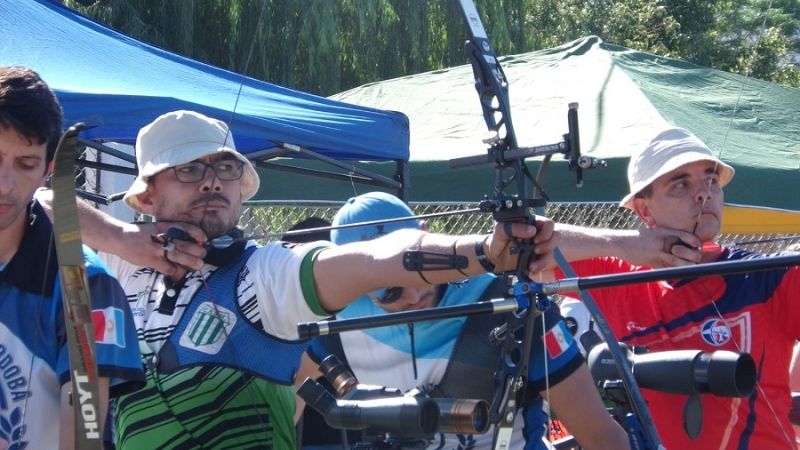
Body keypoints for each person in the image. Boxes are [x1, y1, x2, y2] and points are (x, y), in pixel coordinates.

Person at [37, 110, 556, 449]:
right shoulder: (113, 269)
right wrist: (123, 239)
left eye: (225, 168)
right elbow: (37, 202)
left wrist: (484, 253)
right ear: (146, 198)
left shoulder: (262, 276)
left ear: (243, 193)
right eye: (190, 170)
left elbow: (379, 258)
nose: (214, 179)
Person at [296, 192, 630, 450]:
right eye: (389, 290)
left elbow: (599, 434)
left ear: (426, 234)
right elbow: (284, 413)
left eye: (418, 270)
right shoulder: (336, 317)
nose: (413, 296)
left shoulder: (509, 302)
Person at [549, 127, 800, 449]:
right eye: (680, 184)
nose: (703, 193)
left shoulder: (768, 276)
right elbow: (522, 244)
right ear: (644, 210)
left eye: (711, 180)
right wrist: (627, 243)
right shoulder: (618, 277)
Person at [0, 66, 142, 449]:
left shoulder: (85, 285)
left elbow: (84, 434)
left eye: (25, 164)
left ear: (47, 170)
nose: (5, 184)